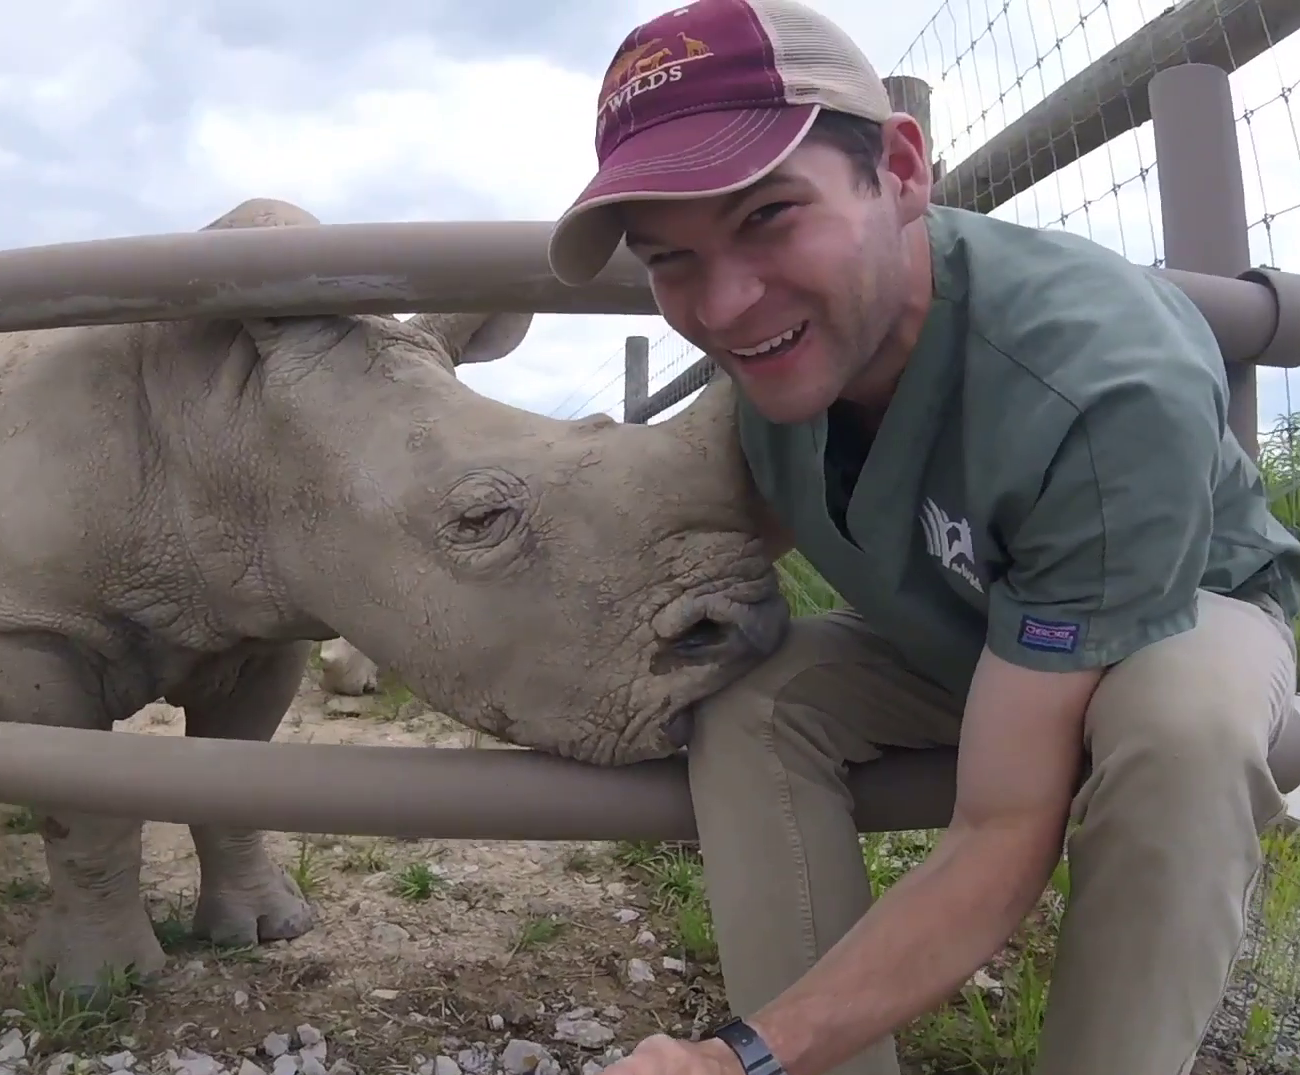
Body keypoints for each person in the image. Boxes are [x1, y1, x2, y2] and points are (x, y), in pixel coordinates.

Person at [546, 0, 1300, 1072]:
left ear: (899, 168)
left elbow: (1002, 833)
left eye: (768, 216)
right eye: (671, 259)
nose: (723, 304)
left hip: (1175, 611)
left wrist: (734, 1056)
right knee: (753, 698)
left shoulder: (1097, 379)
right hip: (973, 637)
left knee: (1180, 725)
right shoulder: (766, 371)